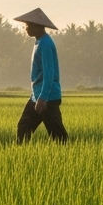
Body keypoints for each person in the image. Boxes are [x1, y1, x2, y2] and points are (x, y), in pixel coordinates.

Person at [13, 8, 69, 143]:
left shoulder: (45, 44)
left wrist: (43, 98)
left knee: (57, 134)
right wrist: (37, 96)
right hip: (37, 96)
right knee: (24, 127)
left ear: (39, 27)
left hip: (47, 98)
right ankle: (21, 157)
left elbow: (49, 74)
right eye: (26, 25)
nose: (26, 28)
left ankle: (68, 158)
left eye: (29, 25)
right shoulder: (39, 42)